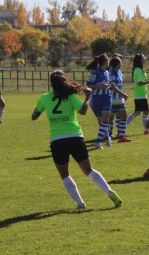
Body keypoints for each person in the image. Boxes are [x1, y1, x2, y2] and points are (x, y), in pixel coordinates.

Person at [31, 70, 122, 210]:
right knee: (89, 171)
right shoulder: (70, 96)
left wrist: (39, 111)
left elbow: (34, 116)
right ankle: (109, 191)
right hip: (75, 137)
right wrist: (88, 97)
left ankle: (80, 204)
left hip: (57, 140)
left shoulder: (44, 98)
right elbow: (83, 111)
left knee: (65, 175)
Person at [85, 54, 113, 149]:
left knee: (106, 120)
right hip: (96, 99)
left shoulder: (107, 72)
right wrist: (99, 86)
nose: (109, 62)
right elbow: (88, 85)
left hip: (107, 97)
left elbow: (106, 84)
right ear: (105, 61)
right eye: (108, 60)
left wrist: (108, 86)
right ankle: (107, 138)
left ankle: (98, 141)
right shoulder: (95, 72)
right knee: (102, 122)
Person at [126, 53, 149, 135]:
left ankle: (124, 127)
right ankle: (146, 130)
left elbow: (142, 81)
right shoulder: (138, 70)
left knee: (139, 112)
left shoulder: (140, 69)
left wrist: (148, 84)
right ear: (140, 60)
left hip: (142, 95)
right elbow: (139, 83)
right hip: (140, 95)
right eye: (143, 57)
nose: (145, 58)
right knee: (143, 112)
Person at [108, 56, 131, 142]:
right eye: (120, 62)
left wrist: (123, 94)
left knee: (124, 116)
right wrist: (123, 94)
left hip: (120, 100)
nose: (121, 63)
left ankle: (121, 136)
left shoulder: (120, 72)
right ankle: (108, 135)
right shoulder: (110, 73)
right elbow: (112, 87)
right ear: (117, 63)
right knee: (110, 118)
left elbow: (120, 85)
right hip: (112, 100)